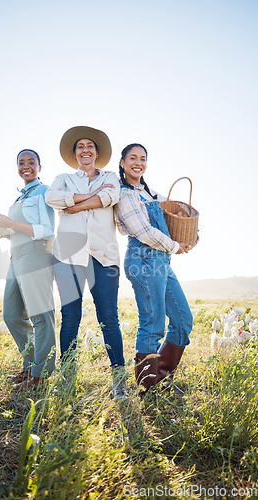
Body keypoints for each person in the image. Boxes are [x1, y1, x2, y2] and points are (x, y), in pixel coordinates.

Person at [45, 126, 128, 401]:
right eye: (80, 146)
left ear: (97, 152)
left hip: (104, 257)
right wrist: (88, 199)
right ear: (74, 153)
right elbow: (51, 198)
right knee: (70, 318)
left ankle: (119, 384)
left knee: (109, 320)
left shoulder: (110, 177)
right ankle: (67, 381)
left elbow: (110, 196)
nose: (85, 150)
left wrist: (75, 206)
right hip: (68, 258)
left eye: (90, 146)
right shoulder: (64, 178)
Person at [114, 143, 194, 396]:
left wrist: (185, 219)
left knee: (183, 320)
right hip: (143, 259)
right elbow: (144, 232)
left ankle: (162, 375)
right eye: (133, 158)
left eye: (143, 158)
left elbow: (171, 208)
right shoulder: (125, 194)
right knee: (153, 322)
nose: (138, 162)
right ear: (122, 162)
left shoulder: (148, 192)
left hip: (161, 261)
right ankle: (149, 387)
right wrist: (174, 245)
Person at [0, 149, 56, 390]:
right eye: (21, 162)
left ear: (40, 166)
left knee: (41, 316)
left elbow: (46, 229)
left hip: (36, 255)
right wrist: (4, 232)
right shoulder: (18, 199)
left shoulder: (43, 192)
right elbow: (21, 230)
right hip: (16, 255)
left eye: (31, 162)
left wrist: (11, 223)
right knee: (12, 314)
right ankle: (30, 366)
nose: (26, 166)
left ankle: (41, 375)